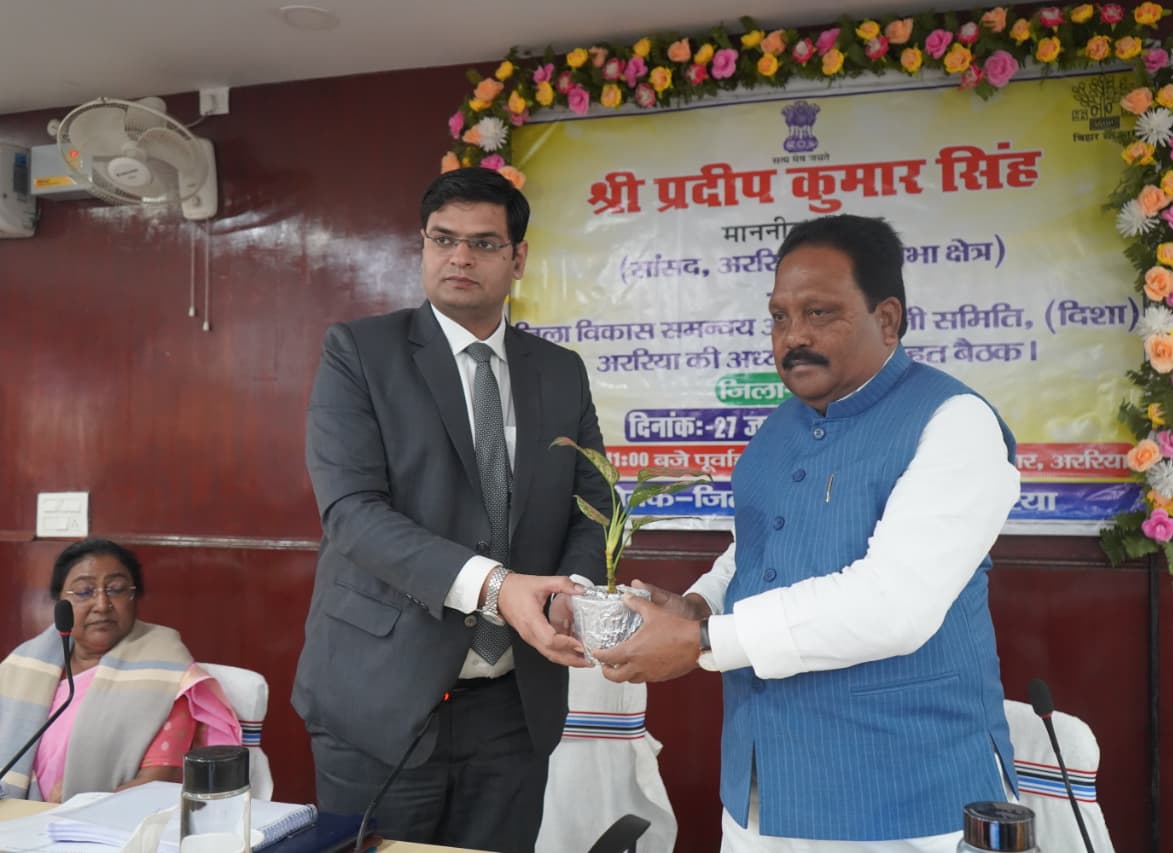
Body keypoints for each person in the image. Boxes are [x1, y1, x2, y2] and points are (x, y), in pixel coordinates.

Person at [595, 214, 1023, 852]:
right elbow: (757, 546)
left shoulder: (955, 422)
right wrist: (698, 605)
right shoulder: (780, 426)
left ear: (887, 319)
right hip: (763, 788)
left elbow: (895, 606)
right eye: (779, 316)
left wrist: (701, 640)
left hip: (906, 797)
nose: (793, 336)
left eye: (820, 313)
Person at [292, 166, 611, 852]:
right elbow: (351, 512)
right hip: (383, 699)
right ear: (424, 246)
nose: (460, 256)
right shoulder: (360, 353)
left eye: (483, 243)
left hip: (512, 705)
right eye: (443, 239)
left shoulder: (560, 371)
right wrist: (497, 587)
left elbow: (593, 504)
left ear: (518, 258)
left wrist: (573, 591)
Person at [0, 538, 241, 802]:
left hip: (103, 821)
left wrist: (74, 811)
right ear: (60, 603)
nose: (102, 605)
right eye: (84, 592)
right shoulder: (23, 666)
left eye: (116, 589)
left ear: (134, 598)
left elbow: (154, 784)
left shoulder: (166, 673)